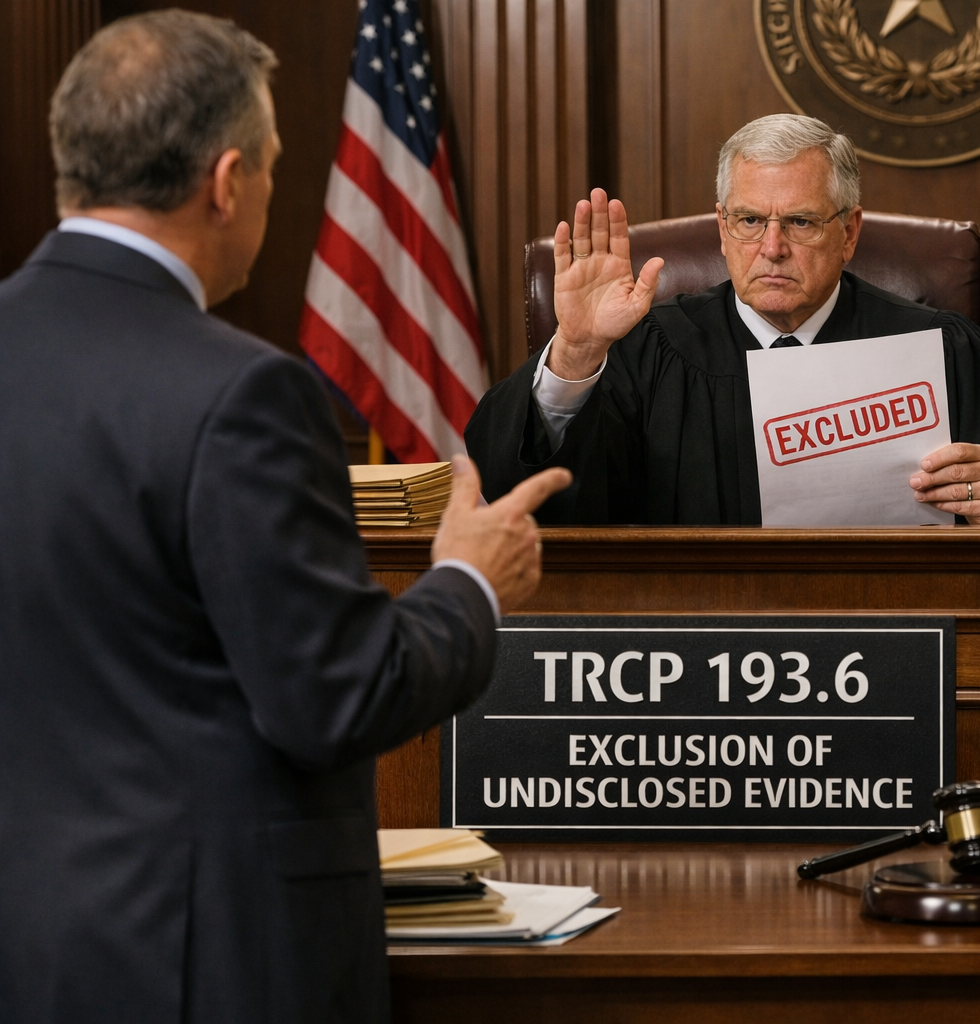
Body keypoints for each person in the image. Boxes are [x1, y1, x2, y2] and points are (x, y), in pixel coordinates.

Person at [0, 12, 569, 1024]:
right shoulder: (244, 395)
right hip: (200, 967)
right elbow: (336, 697)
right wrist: (470, 580)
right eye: (269, 167)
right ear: (227, 182)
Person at [466, 113, 980, 526]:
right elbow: (520, 498)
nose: (772, 246)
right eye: (750, 220)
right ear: (722, 229)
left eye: (802, 221)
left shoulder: (936, 345)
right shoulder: (646, 349)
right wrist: (576, 352)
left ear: (850, 231)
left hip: (897, 646)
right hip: (695, 657)